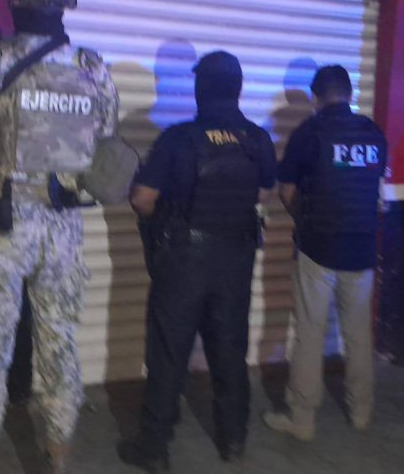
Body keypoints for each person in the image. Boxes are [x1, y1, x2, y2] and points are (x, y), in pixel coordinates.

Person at [0, 0, 119, 474]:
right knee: (60, 345)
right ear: (63, 3)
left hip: (1, 225)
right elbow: (105, 145)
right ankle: (57, 457)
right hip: (64, 228)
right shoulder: (93, 69)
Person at [119, 51, 277, 473]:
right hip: (236, 259)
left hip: (183, 261)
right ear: (238, 89)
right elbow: (264, 193)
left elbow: (143, 199)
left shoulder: (178, 139)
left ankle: (154, 447)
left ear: (199, 89)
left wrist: (164, 216)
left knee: (169, 353)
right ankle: (233, 440)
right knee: (230, 350)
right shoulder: (258, 139)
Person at [262, 65, 387, 440]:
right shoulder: (373, 133)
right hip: (362, 248)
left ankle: (302, 419)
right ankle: (361, 412)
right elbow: (377, 186)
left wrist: (304, 218)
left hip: (318, 248)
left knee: (310, 332)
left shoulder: (310, 131)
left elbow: (286, 189)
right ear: (350, 94)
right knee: (359, 334)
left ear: (316, 98)